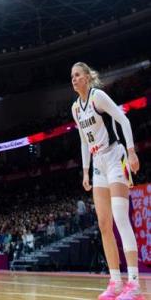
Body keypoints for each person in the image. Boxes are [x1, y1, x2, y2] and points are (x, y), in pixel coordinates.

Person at [71, 62, 143, 300]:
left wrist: (131, 152)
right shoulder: (75, 108)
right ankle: (116, 282)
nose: (74, 79)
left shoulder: (97, 97)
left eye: (77, 75)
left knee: (121, 217)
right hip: (97, 163)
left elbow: (124, 120)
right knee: (104, 224)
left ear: (87, 77)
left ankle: (135, 284)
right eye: (72, 76)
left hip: (115, 156)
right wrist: (85, 172)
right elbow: (83, 141)